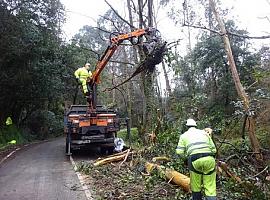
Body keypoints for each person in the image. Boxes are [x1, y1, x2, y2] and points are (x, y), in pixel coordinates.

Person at [176, 119, 217, 200]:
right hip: (209, 159)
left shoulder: (183, 136)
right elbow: (214, 150)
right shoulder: (204, 133)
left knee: (196, 186)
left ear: (186, 126)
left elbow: (179, 152)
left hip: (194, 160)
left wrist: (185, 160)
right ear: (196, 125)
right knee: (210, 187)